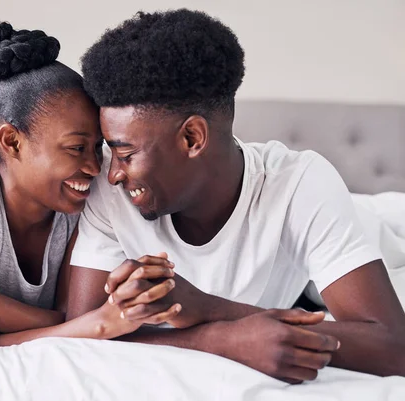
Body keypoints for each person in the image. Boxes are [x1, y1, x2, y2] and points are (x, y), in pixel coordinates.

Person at [64, 9, 405, 382]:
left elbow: (393, 347)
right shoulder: (112, 191)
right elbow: (83, 331)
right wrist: (222, 338)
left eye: (127, 155)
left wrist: (207, 308)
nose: (112, 173)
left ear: (192, 138)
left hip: (365, 234)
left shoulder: (300, 184)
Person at [0, 21, 181, 347]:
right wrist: (97, 324)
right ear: (11, 142)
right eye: (76, 148)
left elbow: (74, 319)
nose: (96, 167)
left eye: (98, 146)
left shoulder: (85, 195)